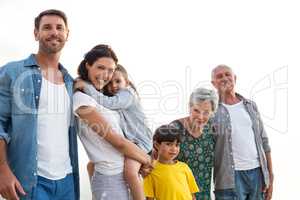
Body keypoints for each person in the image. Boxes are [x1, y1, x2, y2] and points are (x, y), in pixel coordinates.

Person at [0, 9, 79, 200]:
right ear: (36, 34)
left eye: (60, 28)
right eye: (47, 27)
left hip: (67, 180)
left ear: (67, 35)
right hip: (29, 182)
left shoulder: (72, 83)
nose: (54, 32)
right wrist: (2, 170)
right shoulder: (13, 72)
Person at [73, 45, 152, 200]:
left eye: (110, 70)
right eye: (100, 67)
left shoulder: (106, 97)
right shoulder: (82, 100)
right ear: (88, 65)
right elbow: (118, 142)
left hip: (124, 174)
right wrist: (147, 160)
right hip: (110, 179)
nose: (106, 75)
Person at [211, 64, 274, 200]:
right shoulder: (210, 112)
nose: (224, 78)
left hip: (258, 174)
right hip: (229, 178)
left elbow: (264, 142)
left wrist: (270, 175)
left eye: (228, 74)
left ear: (235, 78)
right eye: (219, 76)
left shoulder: (250, 105)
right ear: (213, 83)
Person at [169, 88, 218, 200]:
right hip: (179, 194)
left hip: (204, 194)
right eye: (196, 110)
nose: (200, 117)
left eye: (206, 112)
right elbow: (160, 161)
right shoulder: (174, 128)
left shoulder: (212, 128)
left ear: (212, 112)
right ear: (189, 107)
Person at [143, 125, 199, 200]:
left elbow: (192, 196)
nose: (174, 149)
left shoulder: (184, 167)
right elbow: (149, 198)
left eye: (177, 145)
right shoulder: (151, 170)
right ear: (156, 145)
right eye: (168, 144)